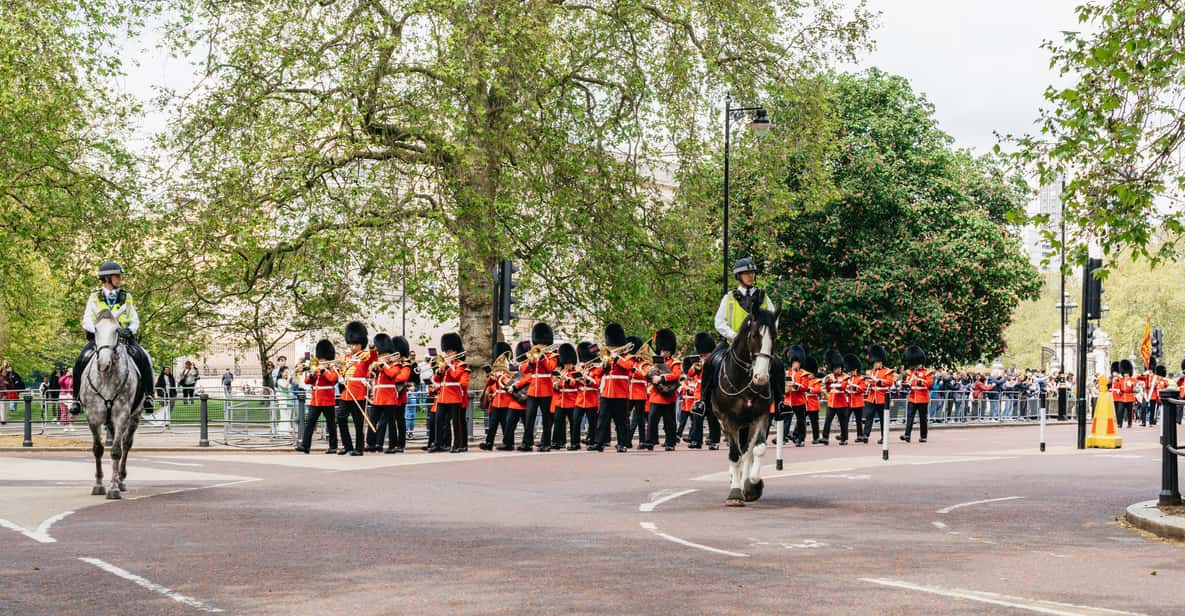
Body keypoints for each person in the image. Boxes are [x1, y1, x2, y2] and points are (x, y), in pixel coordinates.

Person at [70, 261, 154, 415]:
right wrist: (98, 331)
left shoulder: (126, 297)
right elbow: (87, 319)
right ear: (107, 278)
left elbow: (134, 319)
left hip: (123, 337)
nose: (120, 279)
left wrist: (129, 330)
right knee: (81, 359)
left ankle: (149, 396)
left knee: (143, 356)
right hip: (101, 339)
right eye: (117, 276)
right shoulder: (94, 297)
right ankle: (76, 399)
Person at [336, 321, 376, 456]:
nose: (353, 347)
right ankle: (347, 445)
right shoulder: (346, 358)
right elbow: (343, 371)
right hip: (346, 392)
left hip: (358, 392)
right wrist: (340, 376)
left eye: (355, 344)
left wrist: (371, 348)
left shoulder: (365, 356)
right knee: (340, 418)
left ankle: (359, 448)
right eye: (351, 344)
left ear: (361, 344)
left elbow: (373, 357)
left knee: (359, 422)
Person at [593, 323, 633, 452]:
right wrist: (604, 365)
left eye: (611, 346)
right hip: (606, 393)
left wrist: (617, 359)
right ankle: (599, 442)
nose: (610, 348)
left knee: (621, 421)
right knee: (602, 420)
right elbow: (597, 373)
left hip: (620, 393)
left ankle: (622, 443)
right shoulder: (607, 357)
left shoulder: (627, 357)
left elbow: (629, 367)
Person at [713, 257, 775, 343]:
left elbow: (774, 319)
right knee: (715, 352)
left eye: (752, 272)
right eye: (746, 273)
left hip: (759, 344)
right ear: (738, 276)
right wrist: (733, 335)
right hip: (735, 344)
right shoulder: (728, 298)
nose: (750, 276)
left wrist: (765, 335)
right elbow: (719, 322)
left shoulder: (763, 297)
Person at [294, 339, 339, 454]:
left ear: (328, 359)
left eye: (323, 360)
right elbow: (307, 381)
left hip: (328, 400)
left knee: (331, 425)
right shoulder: (316, 368)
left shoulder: (332, 369)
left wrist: (324, 370)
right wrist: (312, 374)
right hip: (316, 400)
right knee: (310, 423)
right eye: (320, 359)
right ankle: (305, 445)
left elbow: (333, 379)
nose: (321, 361)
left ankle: (333, 447)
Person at [370, 334, 412, 453]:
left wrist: (389, 375)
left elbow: (402, 378)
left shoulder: (405, 364)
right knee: (386, 421)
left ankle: (401, 444)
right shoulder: (390, 363)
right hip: (388, 395)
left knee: (400, 421)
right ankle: (380, 443)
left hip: (399, 396)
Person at [432, 332, 471, 453]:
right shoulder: (445, 364)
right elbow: (437, 379)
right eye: (447, 351)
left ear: (456, 351)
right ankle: (438, 443)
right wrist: (439, 371)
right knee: (439, 421)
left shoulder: (461, 365)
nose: (448, 354)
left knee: (456, 423)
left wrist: (448, 367)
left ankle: (458, 445)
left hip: (454, 397)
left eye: (450, 351)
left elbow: (455, 376)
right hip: (442, 397)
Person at [644, 329, 682, 451]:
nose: (663, 352)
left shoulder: (674, 362)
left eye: (665, 351)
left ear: (670, 351)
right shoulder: (655, 362)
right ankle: (650, 441)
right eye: (662, 350)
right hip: (656, 395)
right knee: (652, 420)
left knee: (669, 421)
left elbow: (676, 375)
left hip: (668, 396)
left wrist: (661, 378)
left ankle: (670, 442)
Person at [522, 322, 557, 452]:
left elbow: (550, 368)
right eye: (538, 343)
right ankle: (527, 443)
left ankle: (546, 443)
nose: (539, 346)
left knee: (546, 419)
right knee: (529, 417)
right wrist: (530, 362)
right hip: (533, 390)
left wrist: (542, 358)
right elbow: (523, 369)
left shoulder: (552, 355)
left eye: (541, 344)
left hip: (546, 390)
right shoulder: (532, 353)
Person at [686, 332, 717, 449]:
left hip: (711, 394)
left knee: (712, 419)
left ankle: (714, 441)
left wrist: (706, 364)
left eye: (705, 354)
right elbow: (689, 374)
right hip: (699, 395)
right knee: (696, 419)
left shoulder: (714, 361)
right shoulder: (698, 362)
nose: (703, 356)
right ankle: (696, 440)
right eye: (702, 354)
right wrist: (696, 367)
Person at [570, 342, 601, 450]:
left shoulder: (597, 370)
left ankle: (592, 442)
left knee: (592, 424)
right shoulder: (580, 369)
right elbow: (574, 384)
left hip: (591, 400)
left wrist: (588, 380)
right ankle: (575, 443)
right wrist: (574, 379)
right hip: (580, 400)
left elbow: (597, 384)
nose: (585, 362)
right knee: (575, 422)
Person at [901, 345, 933, 443]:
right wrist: (906, 384)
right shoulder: (910, 372)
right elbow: (907, 382)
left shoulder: (927, 372)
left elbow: (929, 383)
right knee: (909, 417)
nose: (917, 365)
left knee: (923, 419)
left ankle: (923, 436)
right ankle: (907, 435)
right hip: (912, 397)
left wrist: (920, 381)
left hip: (923, 398)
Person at [863, 345, 894, 444]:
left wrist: (877, 380)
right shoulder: (871, 372)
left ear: (881, 362)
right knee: (869, 416)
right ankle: (865, 435)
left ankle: (884, 437)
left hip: (882, 398)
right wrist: (867, 382)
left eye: (877, 362)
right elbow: (867, 383)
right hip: (872, 397)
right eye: (874, 362)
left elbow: (889, 382)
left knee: (883, 419)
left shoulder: (888, 371)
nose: (875, 364)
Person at [551, 343, 580, 450]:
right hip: (560, 401)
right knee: (558, 422)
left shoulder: (576, 372)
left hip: (572, 401)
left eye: (570, 363)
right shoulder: (560, 371)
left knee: (573, 424)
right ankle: (558, 441)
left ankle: (574, 443)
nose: (568, 365)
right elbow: (554, 385)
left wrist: (566, 379)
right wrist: (556, 384)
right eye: (566, 363)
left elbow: (574, 383)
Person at [820, 350, 849, 446]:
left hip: (841, 403)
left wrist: (834, 382)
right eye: (836, 368)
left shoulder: (845, 377)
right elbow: (828, 389)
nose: (838, 370)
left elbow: (843, 387)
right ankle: (825, 437)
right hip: (832, 402)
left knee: (843, 422)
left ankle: (844, 438)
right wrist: (827, 383)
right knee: (827, 421)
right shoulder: (830, 376)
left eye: (839, 368)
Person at [273, 365, 294, 434]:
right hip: (284, 402)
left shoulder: (286, 380)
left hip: (289, 401)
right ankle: (283, 432)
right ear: (281, 373)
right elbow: (285, 386)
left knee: (288, 418)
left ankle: (285, 430)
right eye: (285, 372)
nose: (287, 374)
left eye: (287, 372)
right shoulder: (279, 380)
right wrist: (289, 378)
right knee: (284, 417)